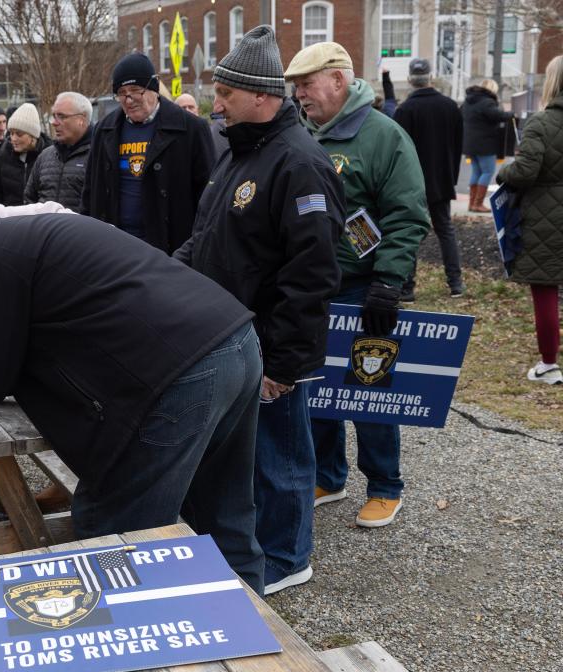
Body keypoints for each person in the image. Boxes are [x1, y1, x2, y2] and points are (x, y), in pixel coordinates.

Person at [0, 212, 266, 593]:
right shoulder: (6, 240)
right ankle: (255, 627)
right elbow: (17, 340)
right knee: (223, 507)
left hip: (179, 372)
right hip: (232, 340)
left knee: (114, 528)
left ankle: (133, 629)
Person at [174, 26, 343, 595]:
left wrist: (283, 363)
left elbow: (311, 275)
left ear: (261, 97)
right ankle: (244, 547)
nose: (215, 103)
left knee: (281, 458)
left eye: (225, 93)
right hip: (225, 339)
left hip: (268, 348)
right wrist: (162, 279)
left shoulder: (298, 163)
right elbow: (206, 240)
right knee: (241, 458)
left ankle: (288, 557)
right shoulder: (238, 154)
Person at [285, 41, 429, 528]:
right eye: (296, 88)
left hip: (362, 286)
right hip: (313, 288)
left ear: (338, 81)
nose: (299, 95)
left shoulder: (383, 136)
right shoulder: (301, 135)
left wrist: (387, 281)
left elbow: (408, 215)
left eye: (306, 85)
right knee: (316, 387)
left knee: (369, 389)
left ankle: (386, 485)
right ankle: (329, 475)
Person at [83, 52, 215, 254]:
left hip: (170, 249)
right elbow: (90, 191)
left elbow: (209, 198)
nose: (128, 100)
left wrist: (194, 249)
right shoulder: (104, 130)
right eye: (121, 92)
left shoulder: (191, 129)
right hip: (114, 247)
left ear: (154, 88)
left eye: (136, 90)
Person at [496, 55, 563, 385]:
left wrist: (503, 171)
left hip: (546, 215)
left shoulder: (540, 122)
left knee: (546, 289)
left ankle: (549, 364)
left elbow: (524, 171)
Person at [394, 58, 465, 300]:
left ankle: (407, 288)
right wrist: (452, 178)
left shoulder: (404, 111)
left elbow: (399, 152)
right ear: (430, 77)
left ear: (410, 80)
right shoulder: (450, 106)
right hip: (442, 180)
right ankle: (456, 283)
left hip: (413, 184)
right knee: (445, 230)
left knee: (409, 232)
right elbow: (457, 146)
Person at [24, 92, 93, 212]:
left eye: (61, 116)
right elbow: (29, 199)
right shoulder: (45, 156)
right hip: (43, 230)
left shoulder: (98, 156)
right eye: (54, 116)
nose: (54, 123)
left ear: (82, 119)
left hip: (81, 230)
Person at [462, 78, 514, 212]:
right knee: (487, 171)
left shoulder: (468, 101)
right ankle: (478, 204)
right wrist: (513, 114)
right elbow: (498, 116)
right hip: (484, 144)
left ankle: (472, 203)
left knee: (476, 171)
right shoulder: (487, 102)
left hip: (469, 144)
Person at [0, 103, 48, 206]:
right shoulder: (3, 156)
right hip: (10, 220)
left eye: (19, 134)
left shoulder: (49, 157)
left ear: (33, 136)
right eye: (11, 133)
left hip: (39, 220)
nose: (13, 139)